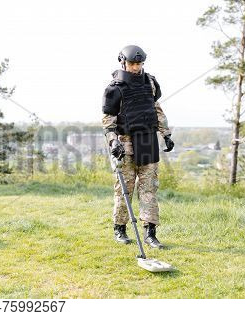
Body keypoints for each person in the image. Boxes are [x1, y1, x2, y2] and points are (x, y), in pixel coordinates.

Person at [102, 45, 174, 249]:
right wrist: (114, 141)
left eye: (139, 63)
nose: (136, 67)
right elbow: (108, 121)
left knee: (149, 190)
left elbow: (156, 109)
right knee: (124, 190)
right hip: (124, 143)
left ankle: (150, 232)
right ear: (123, 62)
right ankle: (120, 229)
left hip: (148, 141)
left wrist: (166, 134)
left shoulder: (150, 83)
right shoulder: (114, 88)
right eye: (132, 63)